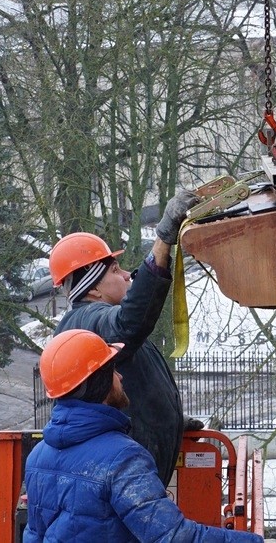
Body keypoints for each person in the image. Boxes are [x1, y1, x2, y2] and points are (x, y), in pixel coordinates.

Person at [23, 329, 265, 543]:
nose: (120, 377)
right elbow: (173, 537)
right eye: (113, 371)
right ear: (99, 381)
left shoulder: (38, 456)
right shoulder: (122, 459)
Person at [47, 189, 199, 486]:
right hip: (125, 478)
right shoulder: (87, 323)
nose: (127, 274)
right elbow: (131, 322)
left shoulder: (94, 324)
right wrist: (164, 239)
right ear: (92, 290)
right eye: (115, 270)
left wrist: (168, 421)